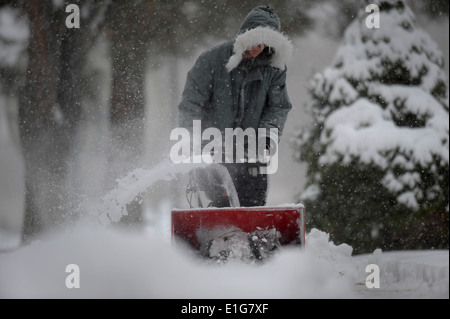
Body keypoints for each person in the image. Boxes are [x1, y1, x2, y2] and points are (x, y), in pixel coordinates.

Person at [178, 6, 293, 207]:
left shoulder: (273, 69)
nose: (257, 48)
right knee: (221, 210)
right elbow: (191, 106)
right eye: (254, 41)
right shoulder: (210, 62)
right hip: (214, 153)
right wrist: (192, 143)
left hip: (252, 156)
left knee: (253, 211)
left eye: (264, 44)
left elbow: (278, 107)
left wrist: (266, 138)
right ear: (244, 35)